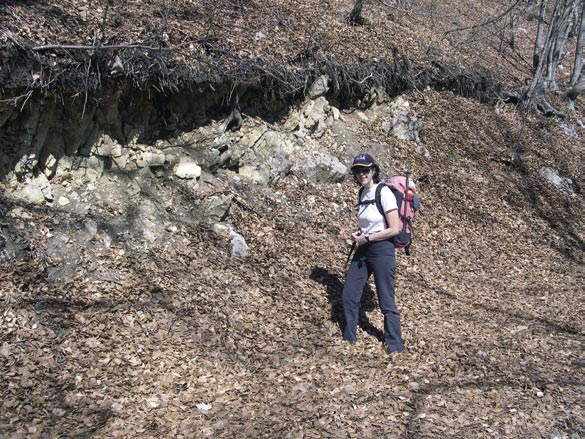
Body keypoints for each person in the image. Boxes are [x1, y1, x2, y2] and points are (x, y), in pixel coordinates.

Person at [342, 153, 404, 354]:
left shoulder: (383, 192)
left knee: (386, 299)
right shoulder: (361, 193)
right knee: (349, 294)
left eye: (365, 170)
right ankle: (349, 338)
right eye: (358, 171)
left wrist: (368, 238)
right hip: (364, 248)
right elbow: (370, 224)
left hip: (382, 250)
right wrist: (360, 234)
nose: (362, 174)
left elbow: (394, 228)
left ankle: (394, 345)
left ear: (374, 170)